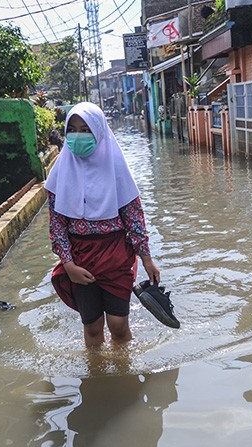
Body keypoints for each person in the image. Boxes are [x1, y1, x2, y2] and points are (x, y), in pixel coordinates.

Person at [45, 102, 160, 348]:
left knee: (118, 325)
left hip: (116, 255)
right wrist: (69, 265)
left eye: (85, 129)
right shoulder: (60, 172)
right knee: (93, 328)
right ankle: (96, 376)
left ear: (98, 131)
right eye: (72, 129)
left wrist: (147, 258)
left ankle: (124, 375)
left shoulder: (116, 167)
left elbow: (134, 218)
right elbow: (57, 226)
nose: (78, 136)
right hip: (80, 259)